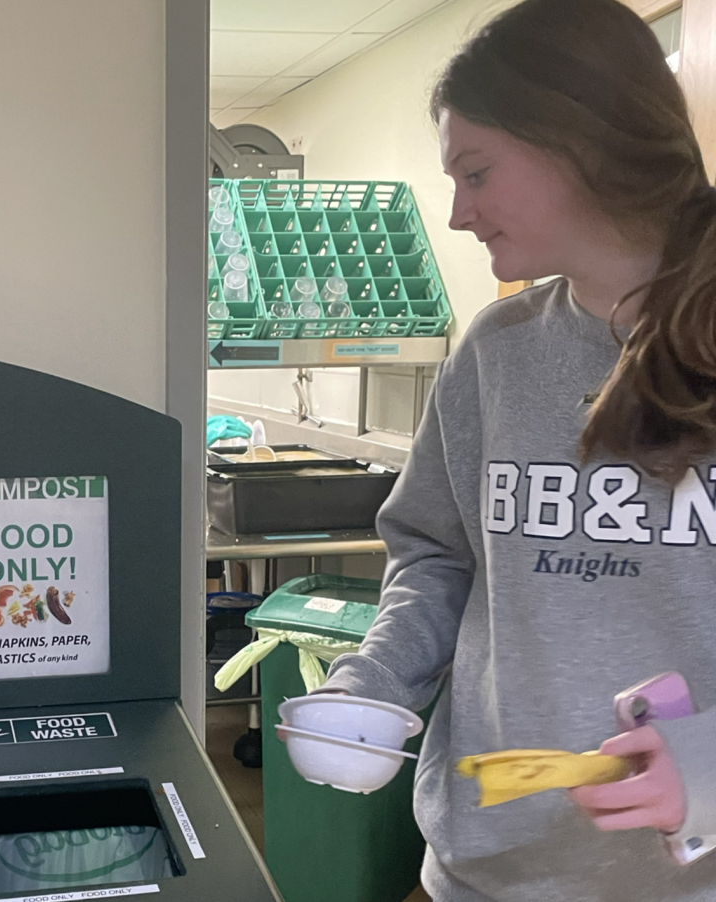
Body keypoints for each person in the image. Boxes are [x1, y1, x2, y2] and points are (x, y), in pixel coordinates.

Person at [314, 1, 716, 899]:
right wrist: (370, 682)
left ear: (581, 143)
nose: (459, 215)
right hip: (485, 871)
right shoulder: (495, 352)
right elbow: (436, 559)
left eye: (478, 172)